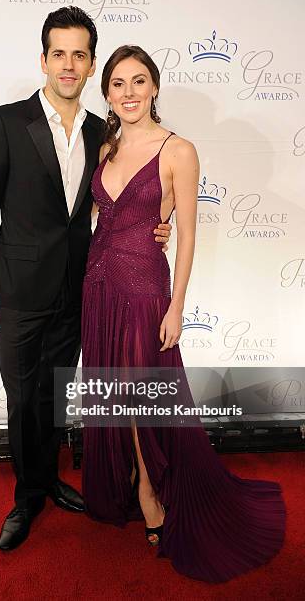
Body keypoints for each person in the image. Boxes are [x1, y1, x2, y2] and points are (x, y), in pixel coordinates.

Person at [0, 8, 171, 552]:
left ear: (90, 63)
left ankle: (52, 479)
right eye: (59, 53)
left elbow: (123, 200)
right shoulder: (5, 122)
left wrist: (157, 228)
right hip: (17, 291)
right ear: (44, 59)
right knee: (22, 397)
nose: (69, 64)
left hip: (80, 290)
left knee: (56, 396)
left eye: (80, 54)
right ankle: (26, 495)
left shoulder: (106, 133)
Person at [81, 45, 286, 583]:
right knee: (113, 392)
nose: (128, 92)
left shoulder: (179, 150)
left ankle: (151, 490)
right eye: (118, 83)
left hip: (148, 289)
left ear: (154, 87)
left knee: (142, 393)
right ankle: (129, 479)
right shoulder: (104, 146)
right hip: (98, 286)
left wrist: (177, 305)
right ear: (107, 93)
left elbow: (189, 233)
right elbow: (105, 218)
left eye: (138, 81)